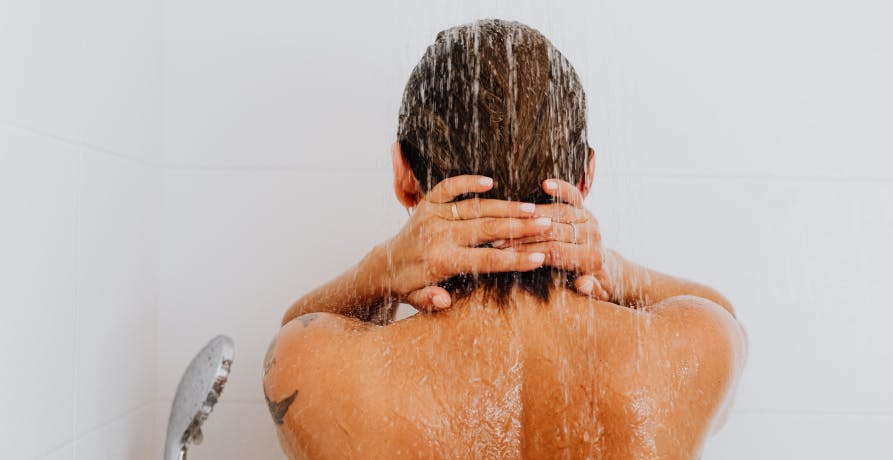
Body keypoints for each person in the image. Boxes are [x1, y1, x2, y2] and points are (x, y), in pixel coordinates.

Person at [263, 19, 746, 459]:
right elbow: (726, 319)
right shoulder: (695, 346)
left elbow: (297, 332)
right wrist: (614, 271)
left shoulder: (315, 366)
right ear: (586, 178)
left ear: (403, 175)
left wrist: (383, 270)